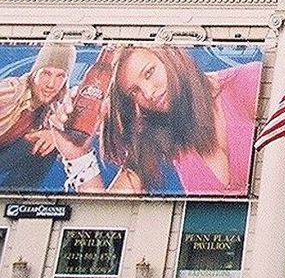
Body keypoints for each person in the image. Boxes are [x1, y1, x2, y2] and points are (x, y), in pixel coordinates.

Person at [50, 43, 261, 195]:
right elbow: (106, 218)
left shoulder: (248, 82)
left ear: (171, 56)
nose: (149, 93)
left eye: (149, 73)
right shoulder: (158, 131)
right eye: (134, 92)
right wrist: (77, 156)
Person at [0, 42, 76, 189]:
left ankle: (16, 199)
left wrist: (53, 135)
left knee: (50, 141)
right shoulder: (10, 91)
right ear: (35, 73)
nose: (51, 84)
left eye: (60, 76)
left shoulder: (53, 109)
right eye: (46, 73)